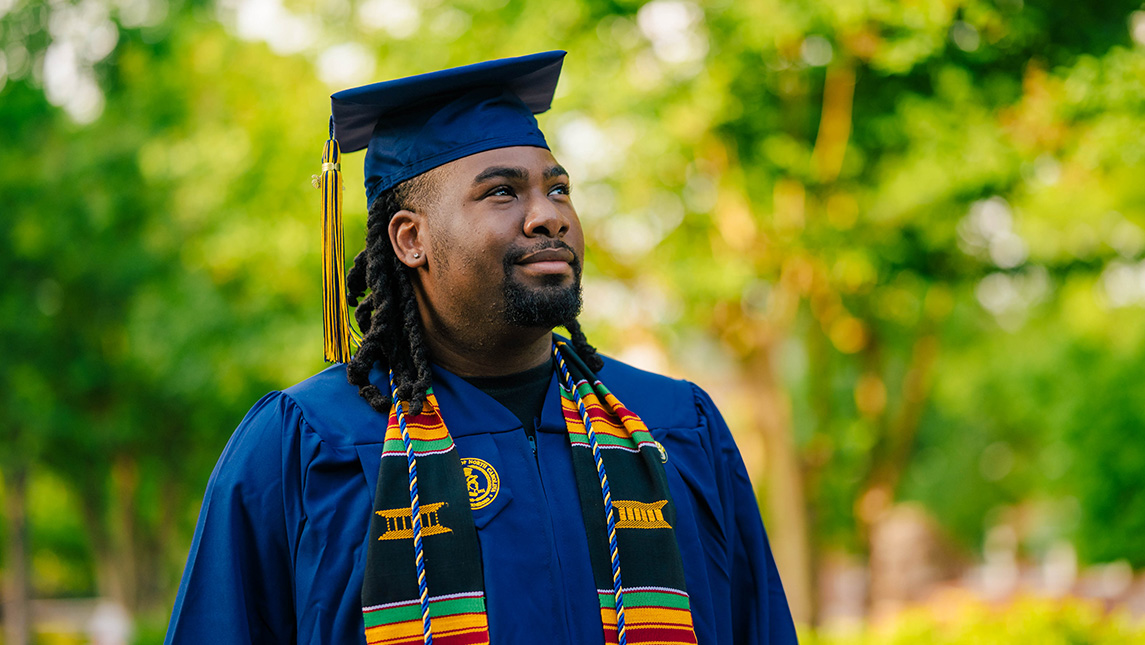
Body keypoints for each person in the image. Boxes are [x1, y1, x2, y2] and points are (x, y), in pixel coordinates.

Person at [165, 50, 797, 645]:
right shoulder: (305, 445)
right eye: (502, 192)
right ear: (411, 239)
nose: (548, 216)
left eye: (558, 190)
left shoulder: (674, 427)